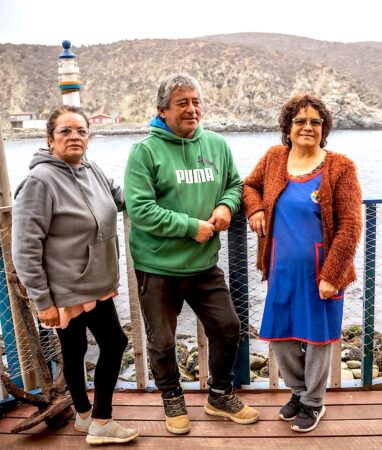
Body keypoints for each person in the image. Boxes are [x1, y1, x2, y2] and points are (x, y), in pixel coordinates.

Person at [124, 73, 259, 435]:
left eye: (196, 101)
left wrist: (228, 208)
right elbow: (140, 209)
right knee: (162, 340)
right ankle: (172, 398)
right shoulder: (145, 152)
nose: (192, 109)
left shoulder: (216, 144)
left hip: (203, 264)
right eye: (182, 102)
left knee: (229, 328)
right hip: (158, 266)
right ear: (162, 111)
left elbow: (234, 184)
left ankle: (219, 395)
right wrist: (189, 226)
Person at [12, 105, 139, 445]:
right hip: (67, 289)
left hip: (95, 284)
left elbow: (122, 198)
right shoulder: (38, 182)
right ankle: (102, 421)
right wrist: (43, 302)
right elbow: (25, 249)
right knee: (115, 343)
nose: (75, 137)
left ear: (89, 137)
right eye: (65, 131)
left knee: (75, 348)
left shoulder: (92, 168)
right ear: (49, 138)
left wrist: (158, 192)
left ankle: (84, 416)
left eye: (81, 131)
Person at [243, 94, 362, 433]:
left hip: (321, 273)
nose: (307, 127)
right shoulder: (274, 158)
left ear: (324, 130)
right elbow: (249, 186)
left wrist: (333, 275)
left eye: (315, 122)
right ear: (288, 127)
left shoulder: (340, 166)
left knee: (318, 338)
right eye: (300, 121)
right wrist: (256, 209)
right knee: (281, 336)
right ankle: (297, 392)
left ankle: (313, 403)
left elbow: (350, 226)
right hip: (280, 269)